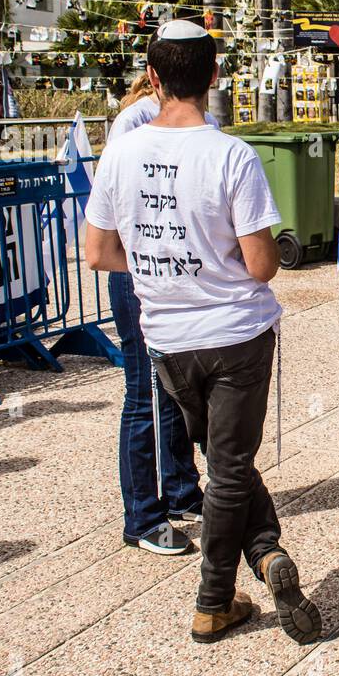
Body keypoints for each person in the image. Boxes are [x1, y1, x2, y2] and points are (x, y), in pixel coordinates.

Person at [85, 20, 322, 644]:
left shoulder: (122, 153)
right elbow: (263, 264)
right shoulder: (231, 155)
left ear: (154, 78)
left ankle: (266, 555)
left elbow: (99, 252)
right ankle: (213, 598)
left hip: (167, 336)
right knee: (230, 464)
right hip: (236, 334)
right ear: (215, 78)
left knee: (224, 459)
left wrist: (162, 262)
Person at [99, 73, 214, 558]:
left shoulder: (195, 121)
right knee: (143, 393)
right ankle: (143, 515)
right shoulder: (133, 122)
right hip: (137, 269)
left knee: (174, 390)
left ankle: (182, 490)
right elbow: (117, 212)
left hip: (172, 270)